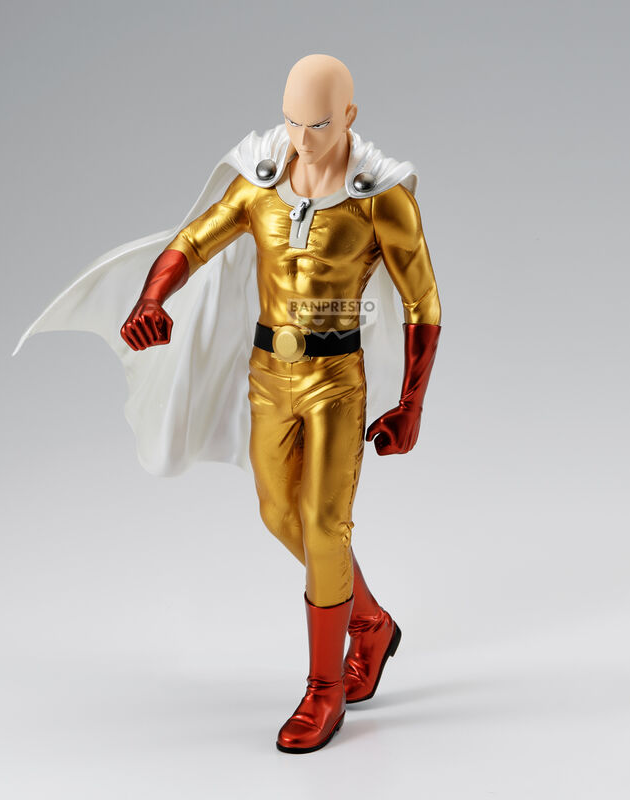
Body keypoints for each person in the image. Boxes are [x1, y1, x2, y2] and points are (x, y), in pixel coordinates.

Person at [119, 54, 441, 753]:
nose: (301, 138)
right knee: (277, 515)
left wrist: (412, 401)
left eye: (317, 124)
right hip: (268, 372)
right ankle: (371, 622)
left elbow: (423, 301)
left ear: (348, 117)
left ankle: (324, 689)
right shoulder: (262, 182)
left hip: (335, 379)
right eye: (292, 121)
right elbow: (193, 240)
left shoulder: (380, 197)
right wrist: (151, 298)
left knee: (324, 526)